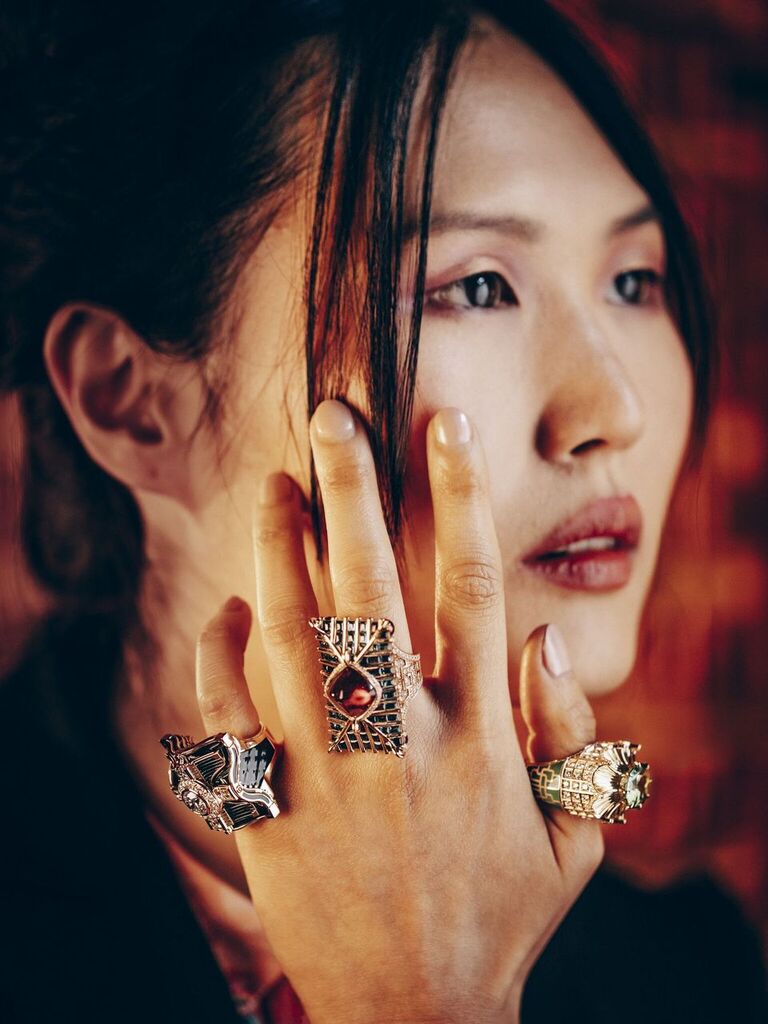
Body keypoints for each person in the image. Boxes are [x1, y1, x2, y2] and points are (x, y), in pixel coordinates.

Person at [1, 2, 765, 1022]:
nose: (614, 410)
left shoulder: (694, 974)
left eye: (635, 279)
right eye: (479, 287)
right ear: (130, 398)